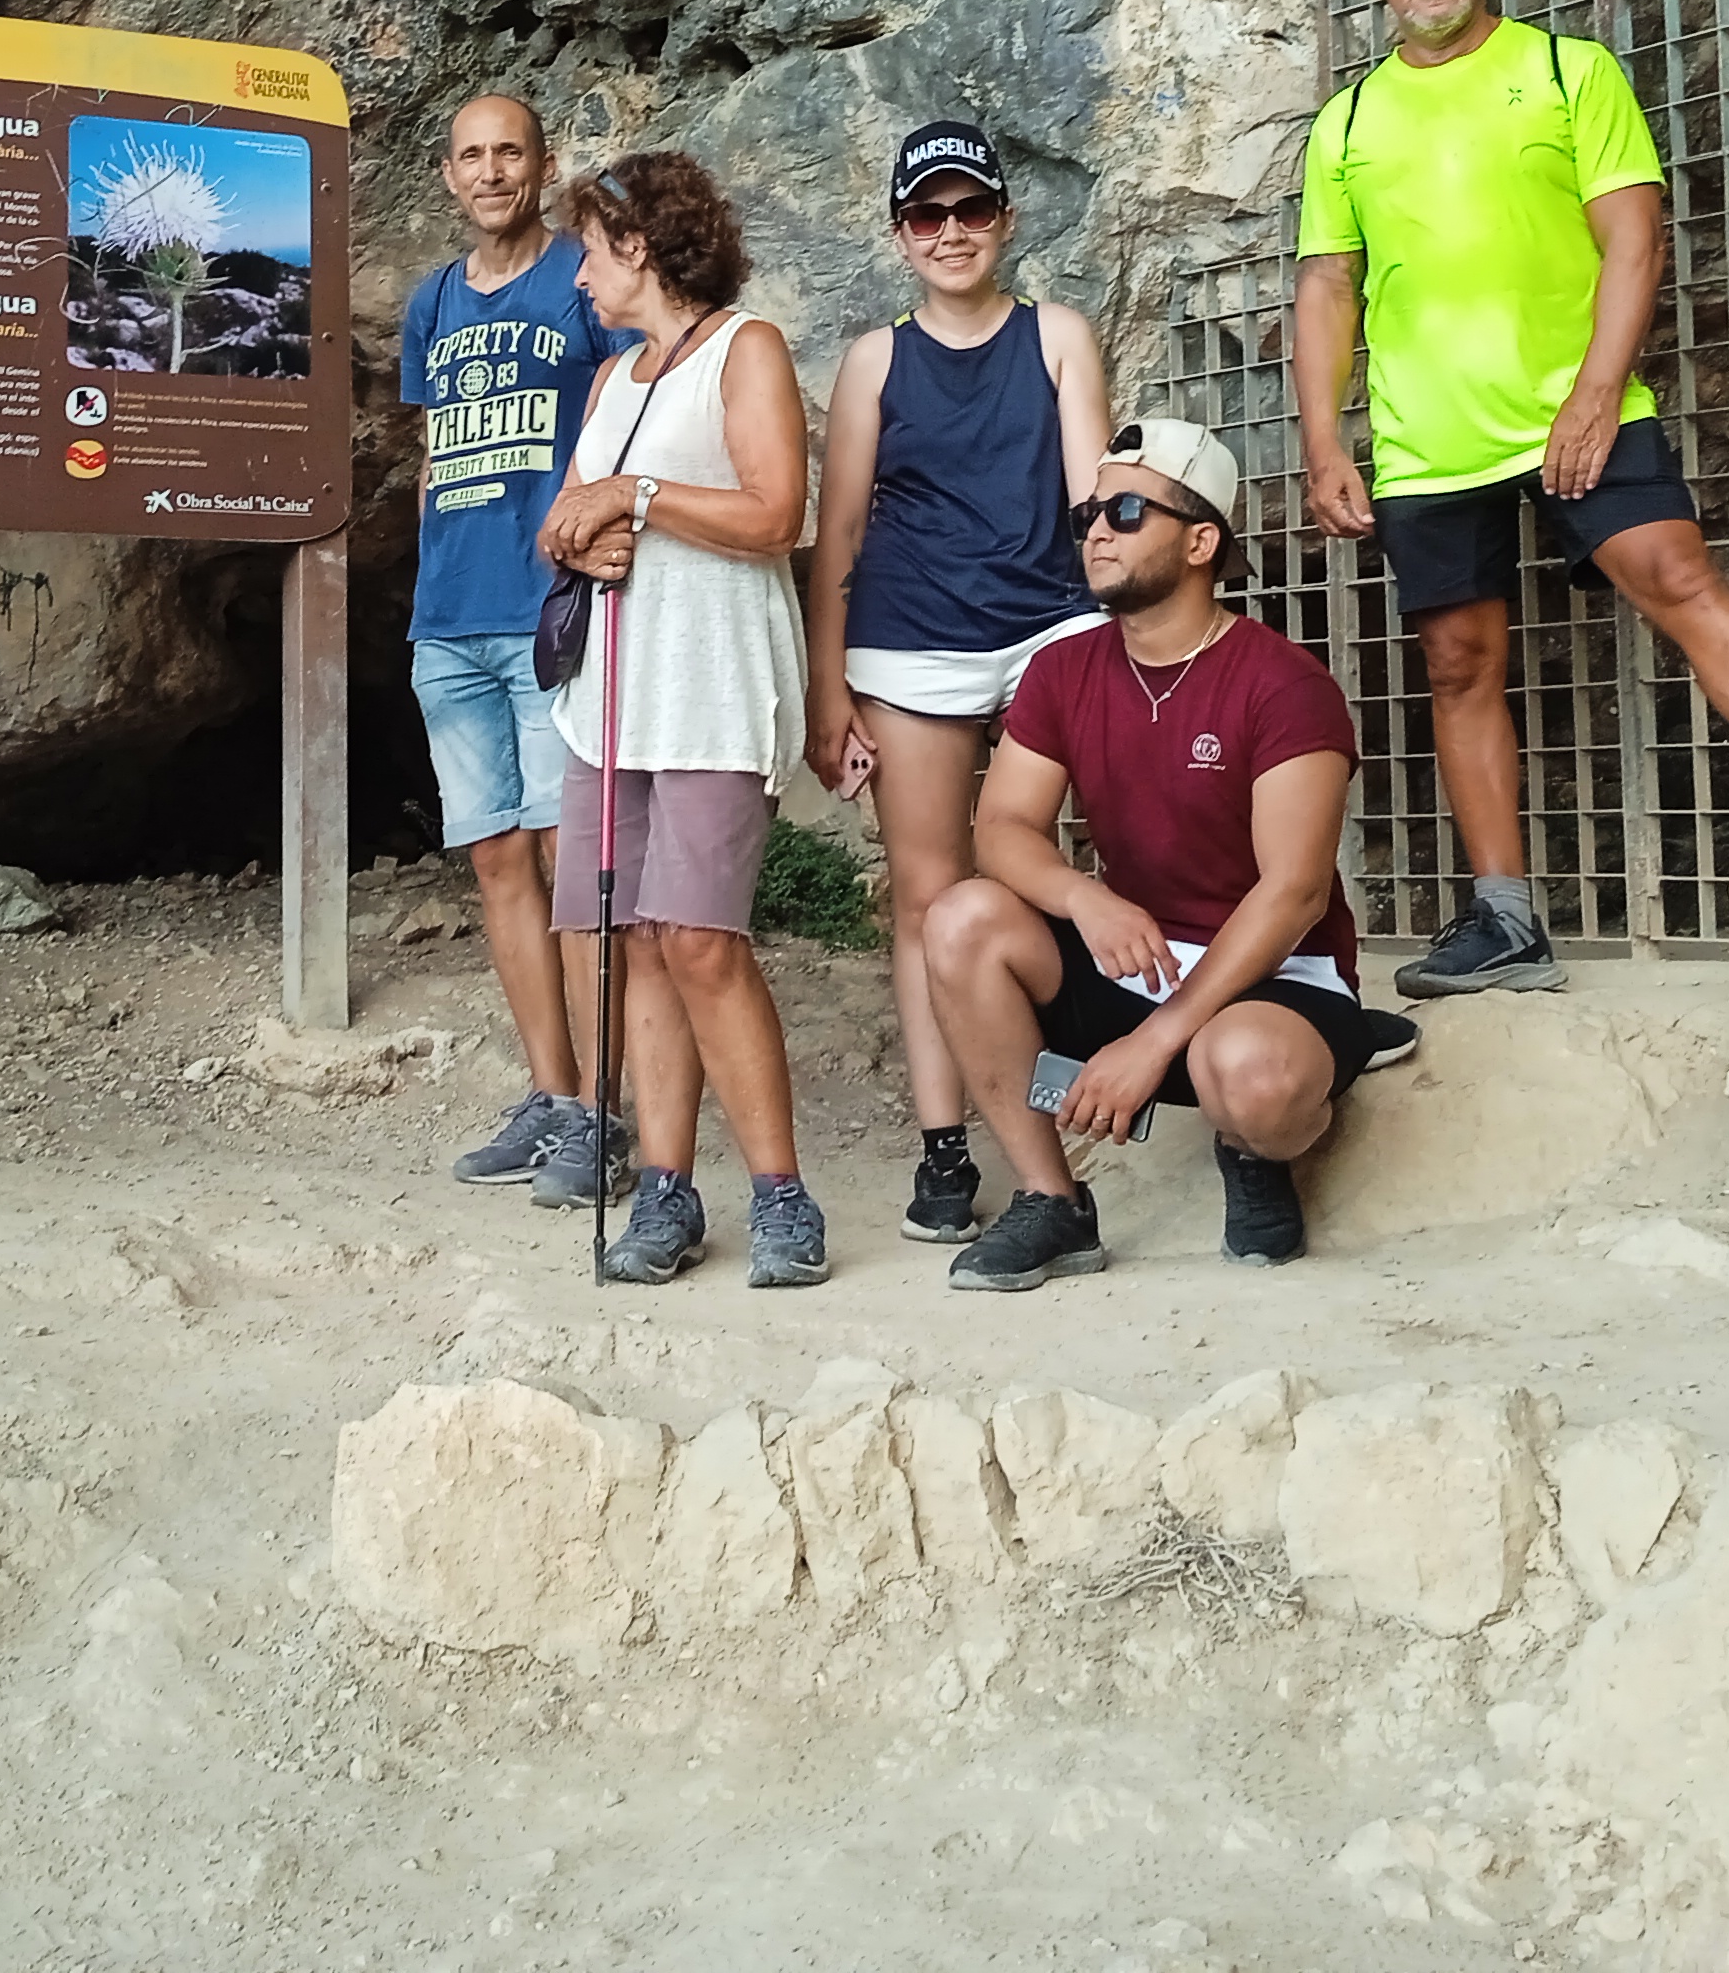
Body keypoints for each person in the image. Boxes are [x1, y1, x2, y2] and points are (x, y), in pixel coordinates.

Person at [1288, 0, 1729, 997]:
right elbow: (1327, 288)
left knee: (1672, 570)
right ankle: (1506, 920)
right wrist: (1324, 443)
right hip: (1428, 436)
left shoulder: (1569, 73)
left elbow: (1635, 243)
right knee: (1456, 662)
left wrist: (1588, 393)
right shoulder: (1346, 125)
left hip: (1579, 403)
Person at [921, 419, 1417, 1287]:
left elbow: (1294, 894)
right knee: (962, 918)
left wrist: (1154, 1044)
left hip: (1272, 976)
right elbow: (1000, 829)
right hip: (1140, 957)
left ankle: (1255, 1149)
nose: (1098, 533)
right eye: (1089, 516)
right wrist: (1086, 899)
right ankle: (1054, 1203)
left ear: (1199, 541)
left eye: (1124, 510)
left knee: (1252, 1077)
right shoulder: (1064, 670)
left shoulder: (1285, 684)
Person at [801, 116, 1109, 1246]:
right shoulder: (875, 360)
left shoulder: (1058, 336)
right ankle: (943, 1143)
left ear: (1004, 219)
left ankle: (1055, 1105)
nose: (950, 232)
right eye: (926, 214)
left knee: (1040, 872)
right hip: (910, 635)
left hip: (1046, 628)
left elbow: (1092, 502)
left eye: (969, 208)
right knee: (925, 895)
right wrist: (824, 696)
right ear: (897, 232)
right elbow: (832, 536)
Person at [534, 150, 828, 1289]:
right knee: (632, 939)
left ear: (641, 247)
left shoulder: (742, 349)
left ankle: (780, 1194)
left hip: (708, 688)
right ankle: (665, 1192)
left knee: (701, 940)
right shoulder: (613, 381)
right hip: (609, 700)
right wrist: (580, 528)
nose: (579, 279)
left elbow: (774, 513)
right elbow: (565, 513)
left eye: (591, 253)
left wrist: (637, 499)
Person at [403, 93, 631, 1205]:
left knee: (563, 863)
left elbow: (633, 404)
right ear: (446, 175)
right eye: (471, 156)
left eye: (509, 153)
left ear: (542, 166)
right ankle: (550, 1095)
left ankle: (603, 1110)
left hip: (544, 612)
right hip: (444, 621)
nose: (490, 172)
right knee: (496, 861)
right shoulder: (431, 302)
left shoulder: (581, 285)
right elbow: (429, 451)